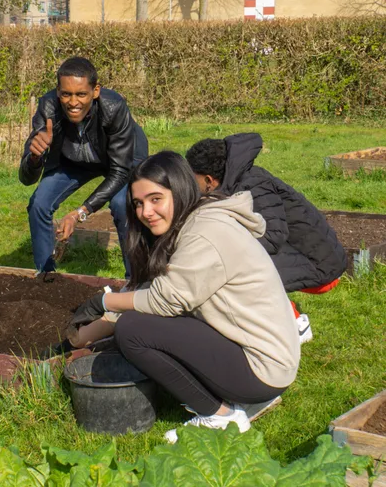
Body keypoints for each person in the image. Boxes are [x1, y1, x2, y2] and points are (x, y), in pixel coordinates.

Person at [68, 151, 300, 443]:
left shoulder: (205, 233)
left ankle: (220, 416)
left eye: (155, 199)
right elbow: (152, 289)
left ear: (178, 190)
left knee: (133, 331)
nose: (145, 212)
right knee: (138, 323)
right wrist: (90, 332)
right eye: (138, 203)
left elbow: (165, 301)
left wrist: (103, 302)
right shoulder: (193, 222)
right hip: (259, 351)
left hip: (262, 368)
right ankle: (234, 397)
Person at [185, 133, 347, 343]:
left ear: (209, 179)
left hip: (322, 264)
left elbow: (274, 235)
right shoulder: (236, 181)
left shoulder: (253, 185)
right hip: (304, 253)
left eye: (192, 178)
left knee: (231, 270)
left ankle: (294, 325)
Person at [19, 56, 148, 278]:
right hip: (74, 159)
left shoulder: (114, 107)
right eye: (66, 94)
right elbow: (26, 179)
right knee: (39, 204)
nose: (73, 102)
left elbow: (119, 171)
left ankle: (135, 281)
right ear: (58, 91)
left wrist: (80, 212)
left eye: (81, 94)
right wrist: (35, 158)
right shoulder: (48, 107)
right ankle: (45, 275)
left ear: (95, 91)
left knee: (122, 205)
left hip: (121, 160)